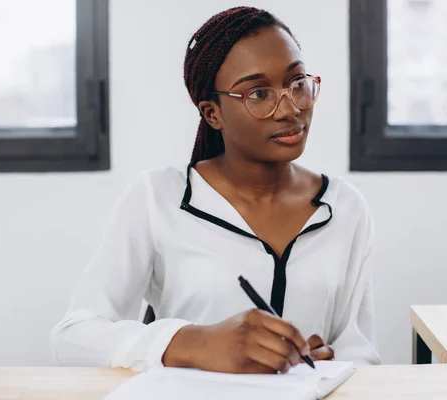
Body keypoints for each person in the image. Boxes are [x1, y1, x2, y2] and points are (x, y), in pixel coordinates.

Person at [50, 6, 381, 374]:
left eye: (297, 83)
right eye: (258, 94)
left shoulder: (344, 207)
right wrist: (191, 343)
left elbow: (358, 347)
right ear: (213, 114)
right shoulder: (157, 199)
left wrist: (331, 363)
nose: (289, 109)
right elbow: (73, 336)